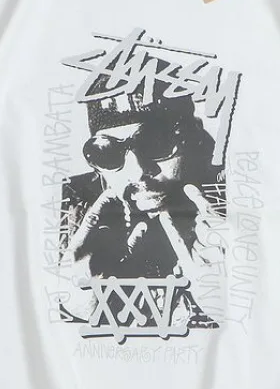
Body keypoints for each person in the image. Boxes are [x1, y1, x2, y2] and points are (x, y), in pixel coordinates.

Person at [59, 64, 227, 335]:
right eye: (106, 152)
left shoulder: (232, 197)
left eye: (155, 143)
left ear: (192, 137)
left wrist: (233, 298)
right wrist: (74, 307)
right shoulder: (66, 207)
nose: (137, 170)